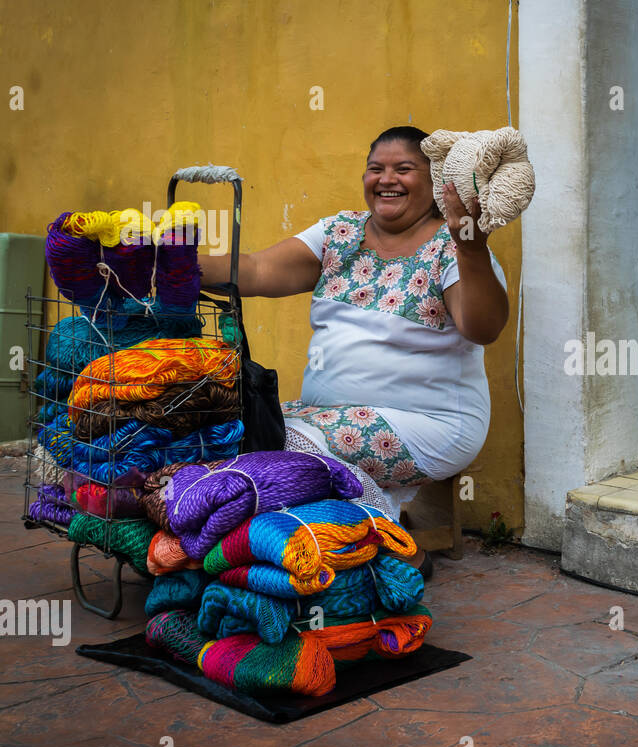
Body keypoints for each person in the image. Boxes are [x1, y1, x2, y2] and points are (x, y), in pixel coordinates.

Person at [197, 126, 510, 574]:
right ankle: (336, 537)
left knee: (282, 444)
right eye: (375, 168)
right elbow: (253, 270)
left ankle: (392, 545)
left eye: (405, 169)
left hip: (431, 422)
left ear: (436, 180)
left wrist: (472, 248)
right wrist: (162, 260)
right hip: (328, 418)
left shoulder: (454, 246)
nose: (387, 179)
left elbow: (484, 328)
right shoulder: (337, 234)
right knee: (240, 430)